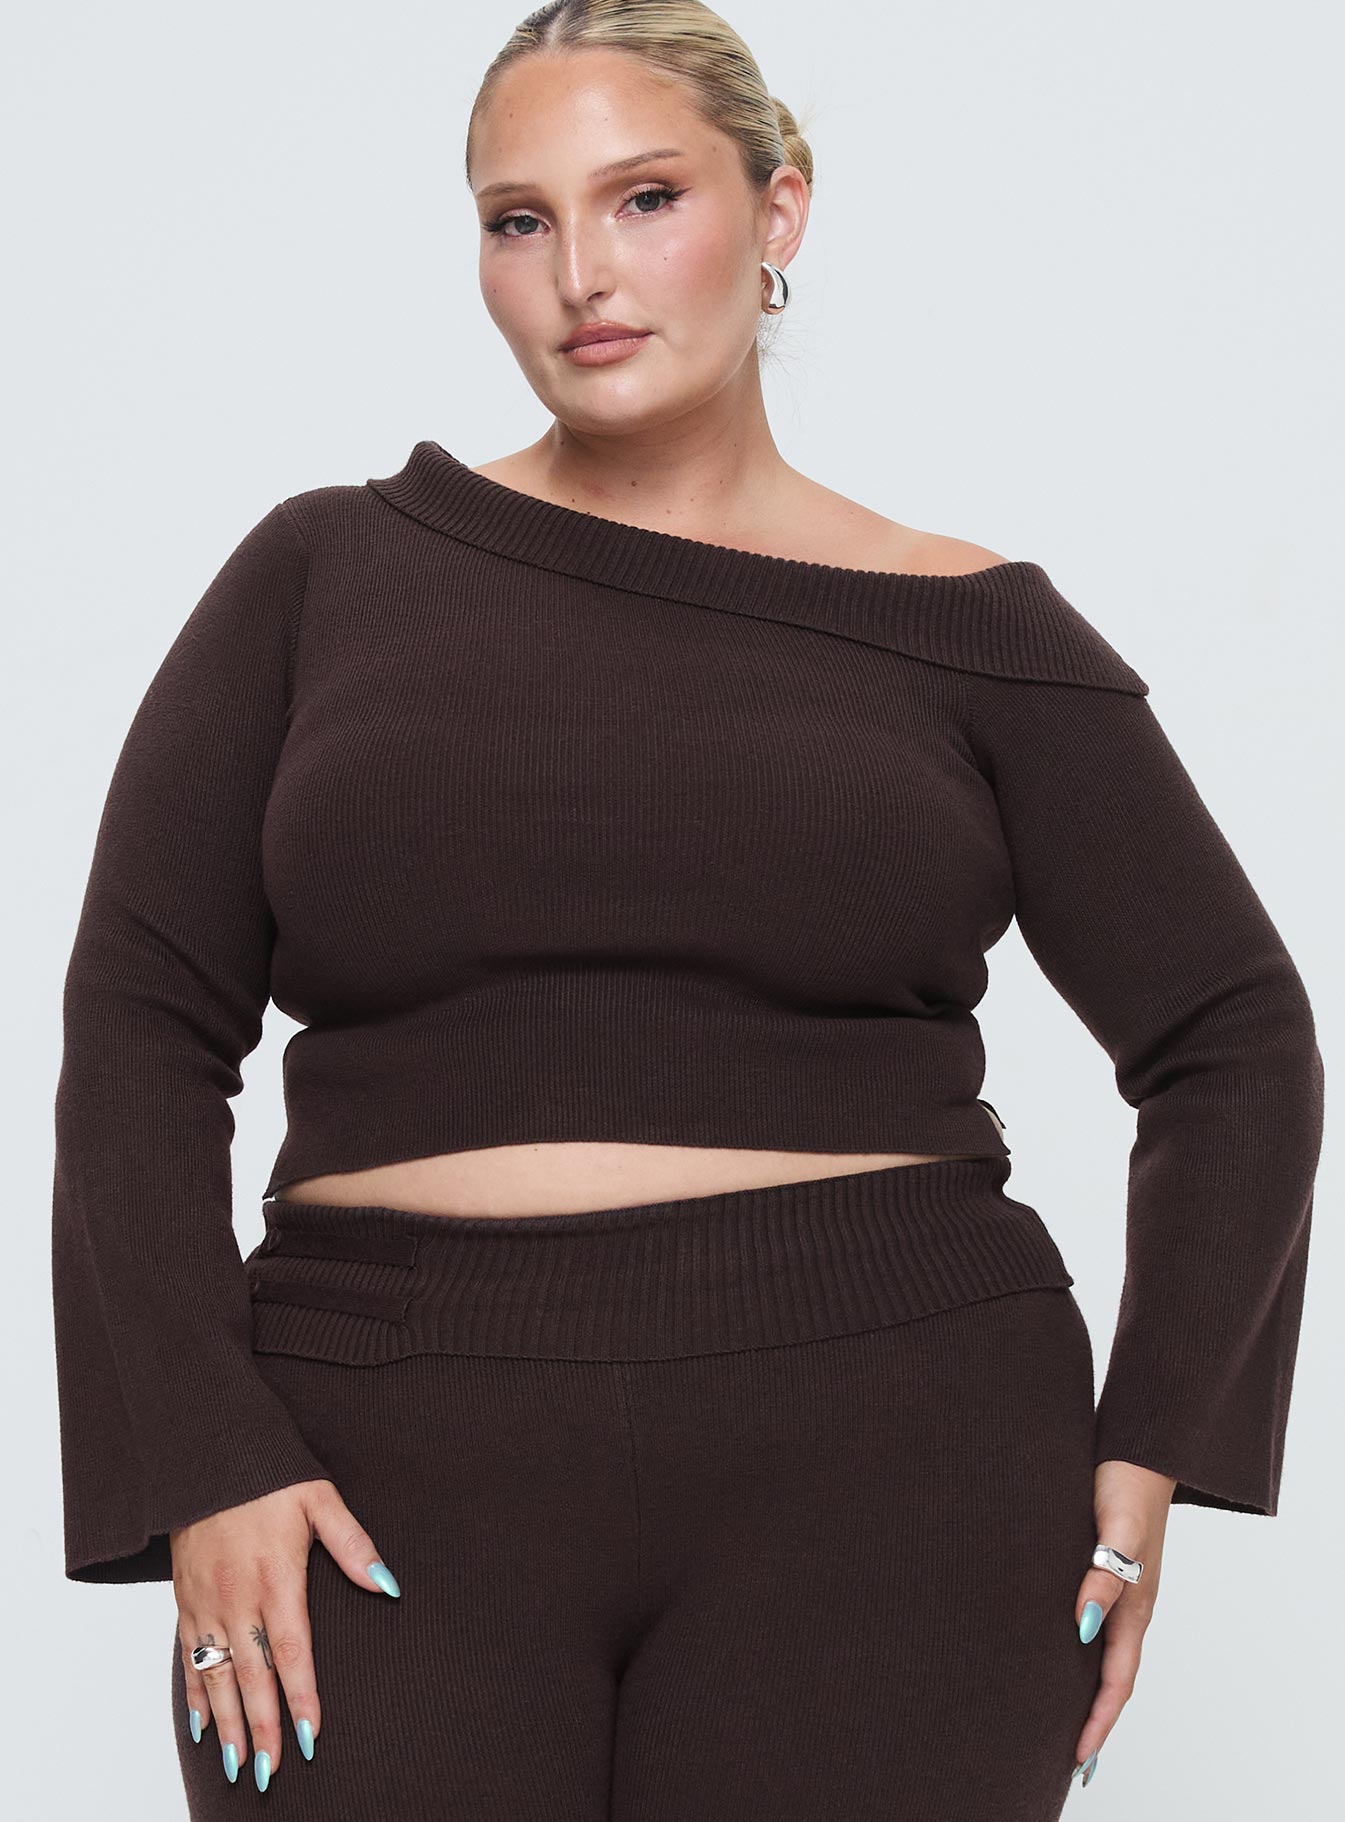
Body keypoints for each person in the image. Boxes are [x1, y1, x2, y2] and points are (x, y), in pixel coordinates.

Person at [50, 2, 1324, 1817]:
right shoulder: (323, 572)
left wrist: (1163, 1432)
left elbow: (1231, 1035)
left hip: (894, 1443)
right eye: (519, 219)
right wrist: (195, 1451)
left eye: (644, 198)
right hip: (371, 1455)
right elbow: (138, 1024)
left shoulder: (971, 626)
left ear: (778, 207)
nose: (581, 271)